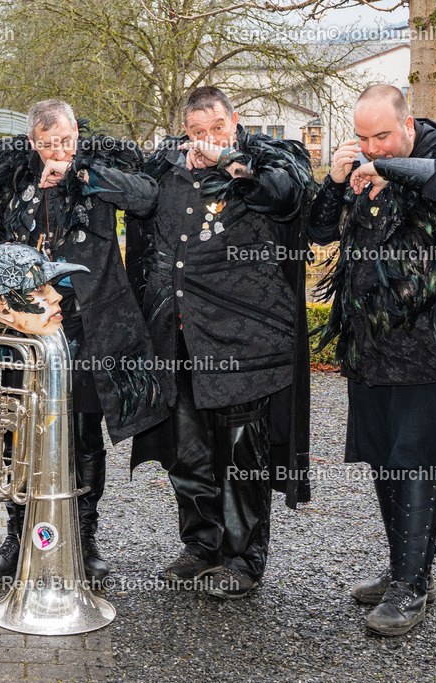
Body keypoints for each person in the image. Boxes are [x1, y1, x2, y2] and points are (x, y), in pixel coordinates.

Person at [309, 84, 436, 635]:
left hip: (434, 349)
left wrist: (386, 169)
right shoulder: (361, 167)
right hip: (370, 347)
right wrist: (336, 181)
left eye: (382, 136)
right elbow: (317, 229)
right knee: (384, 458)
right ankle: (406, 567)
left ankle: (411, 587)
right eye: (363, 138)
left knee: (416, 460)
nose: (372, 147)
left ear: (408, 126)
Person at [0, 100, 167, 583]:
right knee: (16, 428)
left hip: (87, 321)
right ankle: (17, 535)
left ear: (78, 134)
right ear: (32, 140)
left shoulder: (98, 166)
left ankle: (83, 536)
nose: (59, 151)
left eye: (68, 141)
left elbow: (146, 198)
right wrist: (2, 291)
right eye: (50, 144)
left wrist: (82, 173)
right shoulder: (7, 176)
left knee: (83, 429)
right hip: (22, 325)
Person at [126, 86, 313, 599]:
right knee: (187, 451)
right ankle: (200, 546)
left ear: (235, 123)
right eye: (197, 131)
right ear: (185, 130)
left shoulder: (267, 160)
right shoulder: (165, 167)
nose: (206, 139)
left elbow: (285, 197)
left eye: (217, 129)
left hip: (242, 342)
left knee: (241, 455)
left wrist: (231, 160)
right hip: (178, 336)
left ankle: (243, 559)